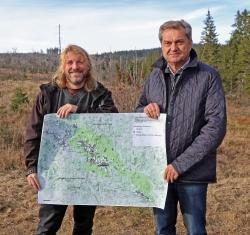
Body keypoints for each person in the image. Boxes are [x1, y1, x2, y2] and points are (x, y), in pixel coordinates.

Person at [136, 20, 227, 235]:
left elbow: (215, 126)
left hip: (193, 173)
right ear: (161, 45)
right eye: (167, 42)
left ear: (190, 43)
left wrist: (180, 164)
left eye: (179, 42)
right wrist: (144, 109)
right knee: (163, 228)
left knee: (195, 229)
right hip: (159, 171)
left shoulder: (208, 76)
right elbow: (139, 107)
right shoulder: (154, 76)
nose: (173, 47)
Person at [24, 44, 118, 235]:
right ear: (63, 67)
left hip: (89, 173)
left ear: (88, 66)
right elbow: (33, 132)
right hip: (55, 172)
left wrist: (80, 111)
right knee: (47, 227)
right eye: (70, 62)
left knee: (83, 226)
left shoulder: (100, 94)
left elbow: (113, 121)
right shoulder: (48, 94)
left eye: (80, 62)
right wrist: (31, 167)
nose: (75, 67)